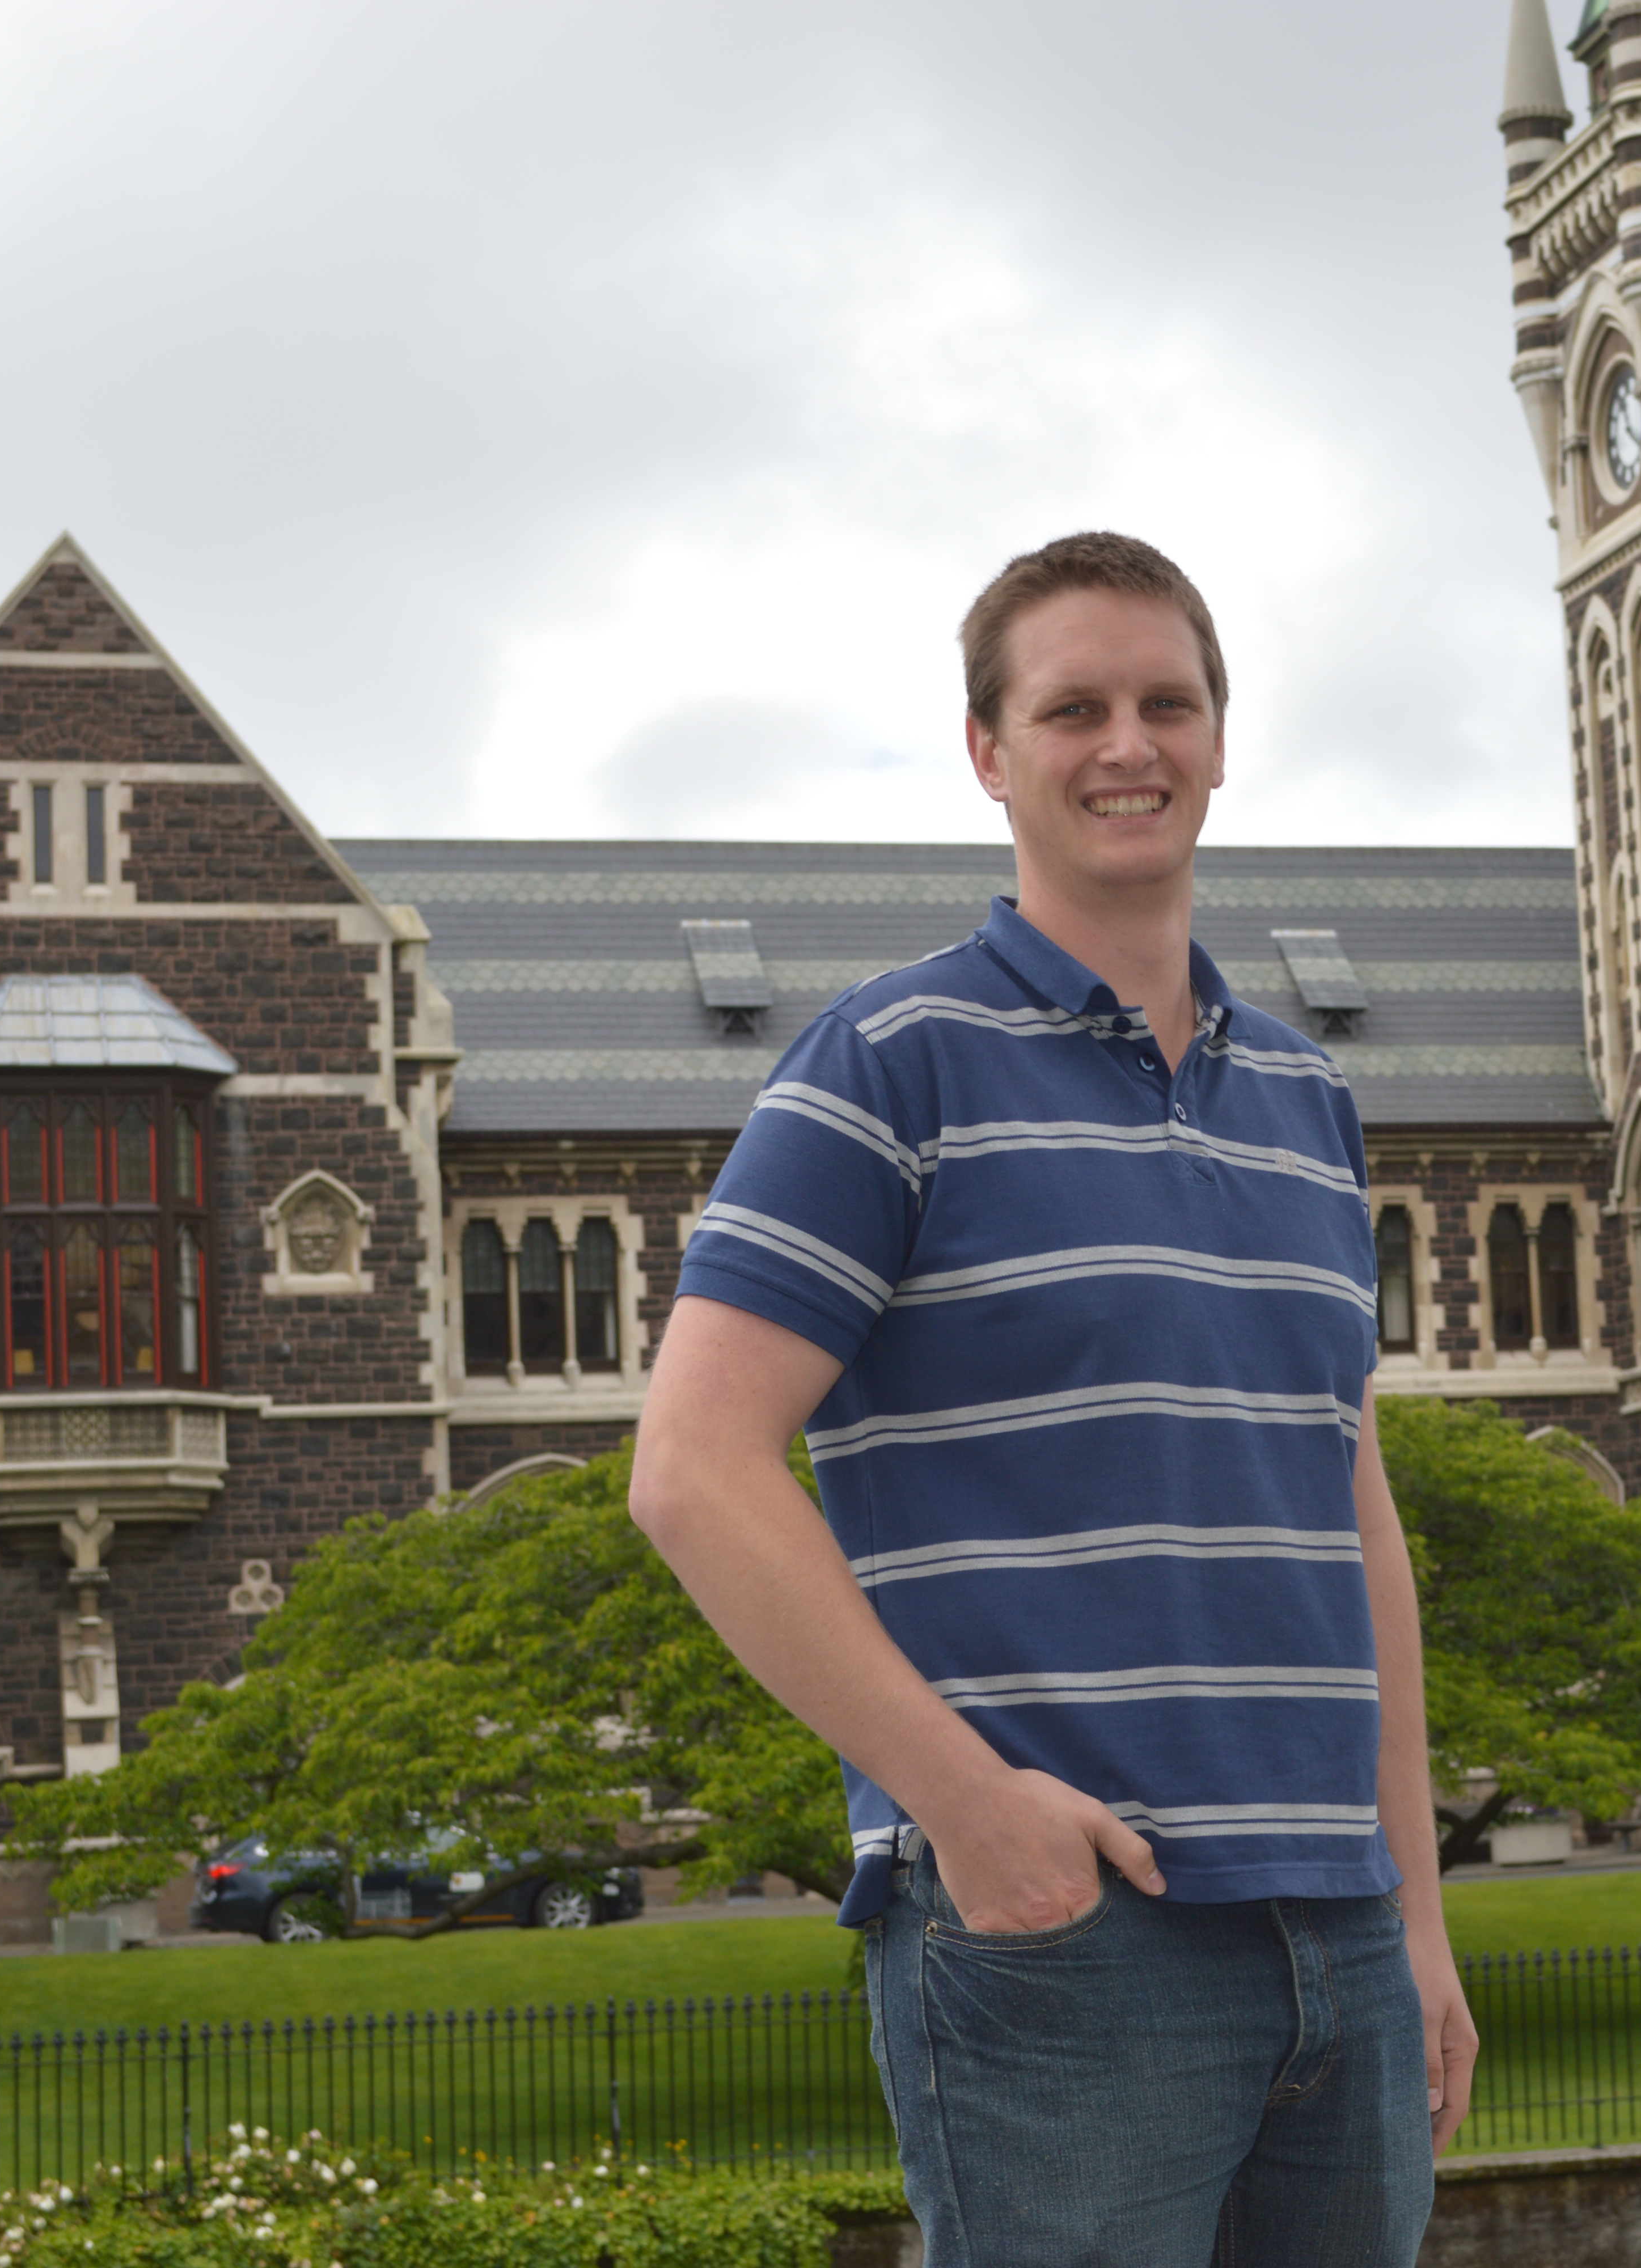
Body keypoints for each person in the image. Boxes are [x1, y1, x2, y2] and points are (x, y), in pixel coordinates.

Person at [627, 531, 1475, 2265]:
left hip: (1344, 1934)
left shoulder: (1309, 1101)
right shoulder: (884, 1067)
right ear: (989, 755)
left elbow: (1351, 1516)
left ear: (1221, 742)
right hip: (1070, 1940)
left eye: (1168, 702)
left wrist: (1421, 1913)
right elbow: (694, 1473)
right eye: (1072, 706)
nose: (1128, 744)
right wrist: (968, 1806)